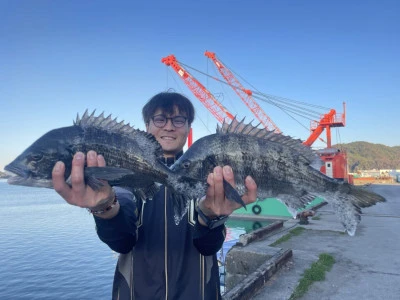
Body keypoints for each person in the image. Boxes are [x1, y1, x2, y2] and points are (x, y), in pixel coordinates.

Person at [52, 91, 257, 299]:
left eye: (178, 120)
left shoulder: (210, 177)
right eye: (160, 119)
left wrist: (213, 218)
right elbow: (121, 241)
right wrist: (104, 207)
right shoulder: (125, 174)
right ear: (147, 127)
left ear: (188, 128)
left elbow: (208, 247)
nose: (168, 126)